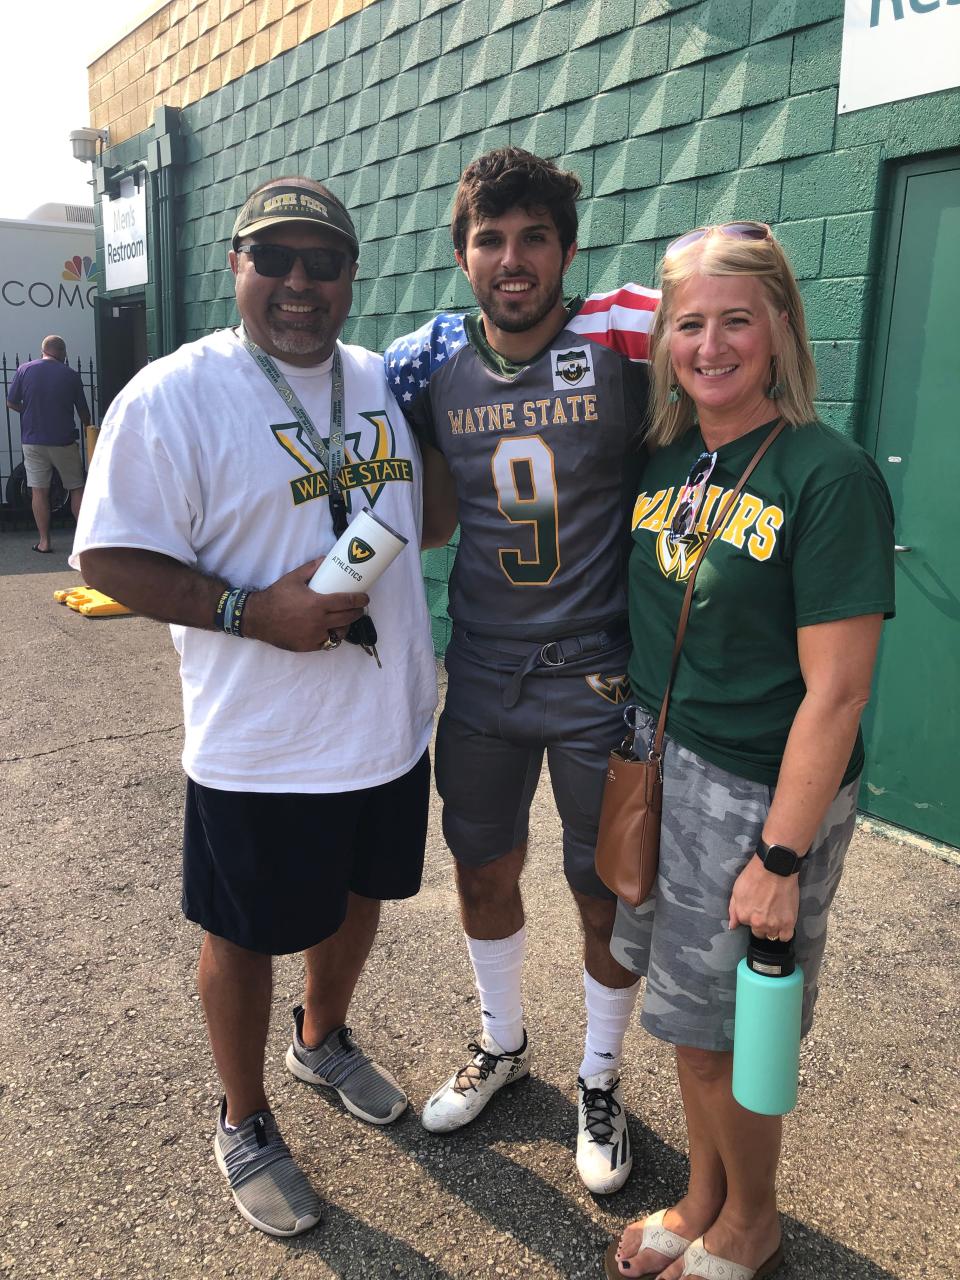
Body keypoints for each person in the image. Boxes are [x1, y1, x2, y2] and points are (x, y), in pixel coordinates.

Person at [73, 176, 445, 1239]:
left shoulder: (381, 382)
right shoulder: (174, 394)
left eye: (322, 262)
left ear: (350, 277)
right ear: (236, 264)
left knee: (363, 895)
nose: (298, 282)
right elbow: (107, 554)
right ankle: (242, 1115)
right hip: (261, 744)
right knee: (242, 932)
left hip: (385, 723)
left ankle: (321, 1038)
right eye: (273, 258)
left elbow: (430, 522)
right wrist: (249, 607)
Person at [603, 223, 895, 1280]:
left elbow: (842, 689)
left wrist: (779, 857)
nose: (712, 343)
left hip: (764, 788)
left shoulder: (829, 473)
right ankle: (703, 1192)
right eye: (691, 322)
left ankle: (753, 1217)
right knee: (687, 1013)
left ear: (780, 328)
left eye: (737, 319)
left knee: (738, 1024)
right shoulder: (674, 456)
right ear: (664, 339)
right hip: (663, 762)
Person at [386, 148, 660, 1195]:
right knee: (483, 866)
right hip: (487, 671)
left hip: (598, 674)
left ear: (566, 249)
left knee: (603, 888)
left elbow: (729, 300)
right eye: (491, 239)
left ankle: (599, 1074)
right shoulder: (424, 359)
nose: (513, 259)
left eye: (534, 237)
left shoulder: (623, 344)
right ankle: (505, 1041)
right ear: (462, 255)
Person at [6, 334, 91, 553]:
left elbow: (11, 401)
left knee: (39, 491)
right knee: (76, 488)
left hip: (33, 441)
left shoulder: (24, 370)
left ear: (43, 350)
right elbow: (82, 409)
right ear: (61, 352)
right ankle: (85, 544)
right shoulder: (70, 375)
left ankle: (44, 542)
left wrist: (28, 412)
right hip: (63, 440)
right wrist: (89, 427)